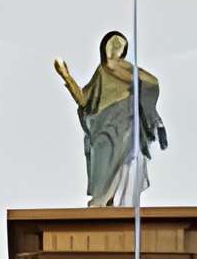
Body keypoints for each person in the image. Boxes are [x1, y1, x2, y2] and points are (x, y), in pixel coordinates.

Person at [57, 31, 167, 207]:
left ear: (123, 51)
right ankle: (102, 205)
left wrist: (152, 118)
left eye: (119, 45)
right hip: (103, 130)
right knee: (103, 175)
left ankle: (121, 211)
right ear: (104, 47)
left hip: (125, 126)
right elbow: (83, 99)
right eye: (112, 43)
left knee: (126, 166)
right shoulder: (101, 72)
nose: (115, 48)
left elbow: (151, 83)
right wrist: (66, 77)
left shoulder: (130, 72)